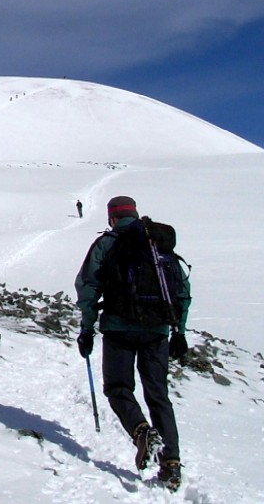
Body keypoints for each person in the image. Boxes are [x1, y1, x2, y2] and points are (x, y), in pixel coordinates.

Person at [74, 196, 191, 491]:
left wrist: (87, 329)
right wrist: (180, 332)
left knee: (118, 388)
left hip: (118, 328)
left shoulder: (108, 243)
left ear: (112, 217)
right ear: (135, 214)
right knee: (158, 395)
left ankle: (141, 432)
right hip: (157, 330)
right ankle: (171, 466)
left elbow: (87, 286)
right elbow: (182, 290)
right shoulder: (157, 244)